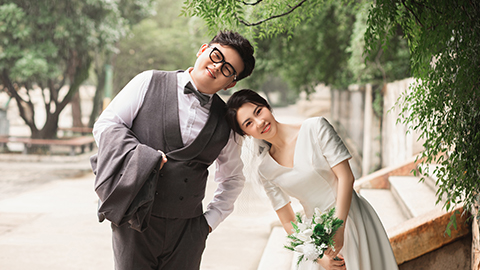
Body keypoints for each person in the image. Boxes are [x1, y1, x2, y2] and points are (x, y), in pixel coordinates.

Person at [90, 31, 255, 270]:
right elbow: (105, 126)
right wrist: (143, 157)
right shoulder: (148, 81)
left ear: (231, 83)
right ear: (203, 50)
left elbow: (233, 177)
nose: (217, 66)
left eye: (228, 69)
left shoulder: (227, 121)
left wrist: (207, 224)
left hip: (188, 234)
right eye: (216, 55)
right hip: (134, 222)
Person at [225, 89, 398, 270]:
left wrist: (339, 228)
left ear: (267, 106)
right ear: (246, 134)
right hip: (316, 238)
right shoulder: (265, 169)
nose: (260, 122)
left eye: (258, 111)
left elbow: (346, 177)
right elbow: (287, 220)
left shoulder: (315, 128)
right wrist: (317, 255)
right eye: (249, 123)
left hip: (351, 218)